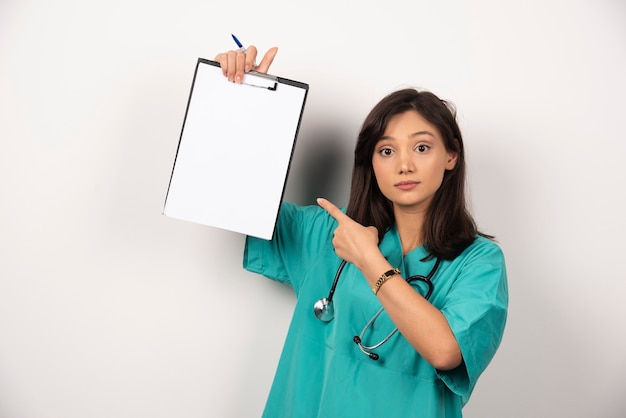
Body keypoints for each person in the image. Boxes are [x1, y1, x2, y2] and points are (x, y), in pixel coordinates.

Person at [215, 46, 508, 418]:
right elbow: (227, 195)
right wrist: (240, 99)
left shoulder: (479, 262)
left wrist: (370, 260)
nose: (404, 164)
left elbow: (446, 351)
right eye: (387, 151)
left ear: (451, 156)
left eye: (421, 147)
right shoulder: (324, 233)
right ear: (371, 162)